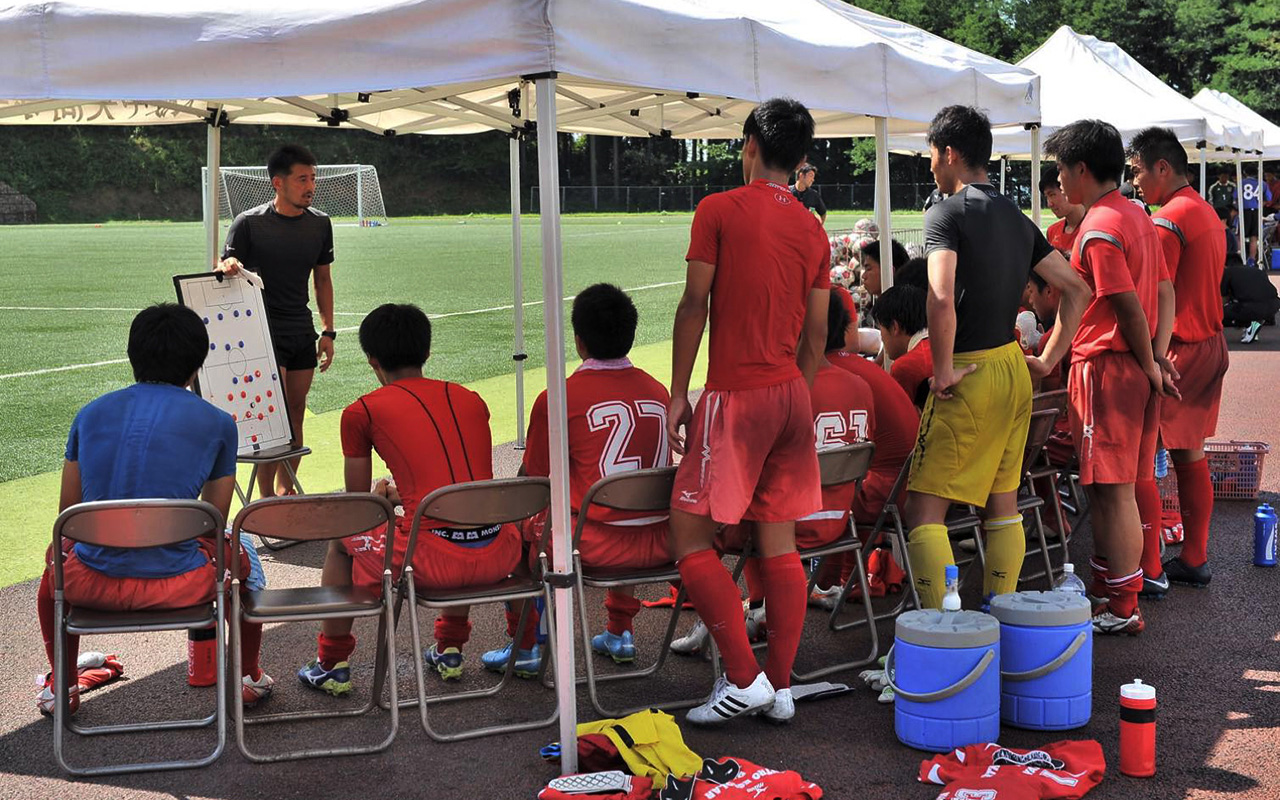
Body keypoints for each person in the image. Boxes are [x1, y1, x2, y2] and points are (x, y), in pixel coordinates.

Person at [666, 97, 829, 726]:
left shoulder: (719, 209)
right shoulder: (813, 228)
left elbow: (693, 306)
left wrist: (680, 393)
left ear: (751, 145)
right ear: (801, 157)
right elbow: (816, 337)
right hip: (792, 395)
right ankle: (781, 687)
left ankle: (743, 676)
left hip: (736, 396)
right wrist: (795, 393)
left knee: (687, 533)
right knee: (778, 542)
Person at [35, 304, 273, 715]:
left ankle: (63, 685)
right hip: (183, 585)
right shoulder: (218, 422)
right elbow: (212, 521)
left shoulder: (89, 414)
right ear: (197, 364)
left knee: (51, 570)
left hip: (88, 585)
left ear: (133, 356)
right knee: (244, 551)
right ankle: (249, 676)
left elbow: (67, 519)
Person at [908, 105, 1089, 612]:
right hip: (1012, 367)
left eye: (931, 157)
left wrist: (941, 369)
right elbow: (1076, 287)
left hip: (970, 370)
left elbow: (939, 296)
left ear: (948, 154)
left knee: (923, 511)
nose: (930, 168)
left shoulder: (945, 211)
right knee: (1003, 503)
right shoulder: (1015, 214)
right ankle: (1001, 613)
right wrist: (1050, 358)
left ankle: (937, 633)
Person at [298, 304, 519, 691]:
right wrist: (413, 495)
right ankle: (450, 648)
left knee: (341, 541)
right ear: (427, 353)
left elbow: (357, 509)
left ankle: (331, 662)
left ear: (372, 361)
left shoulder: (360, 411)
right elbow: (462, 485)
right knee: (461, 520)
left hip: (431, 561)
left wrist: (382, 497)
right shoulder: (471, 399)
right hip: (500, 555)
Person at [480, 284, 672, 676]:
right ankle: (619, 632)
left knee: (517, 527)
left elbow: (532, 481)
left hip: (592, 547)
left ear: (579, 341)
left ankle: (528, 643)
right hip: (660, 542)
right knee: (623, 506)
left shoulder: (559, 397)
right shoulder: (659, 391)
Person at [680, 295, 876, 649]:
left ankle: (729, 617)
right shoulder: (860, 386)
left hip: (788, 526)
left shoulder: (783, 394)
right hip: (839, 523)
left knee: (702, 527)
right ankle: (759, 611)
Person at [1044, 119, 1178, 636]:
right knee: (1110, 486)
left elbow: (1124, 305)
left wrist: (1148, 361)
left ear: (1081, 169)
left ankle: (1123, 602)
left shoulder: (1098, 228)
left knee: (1114, 488)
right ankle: (1111, 590)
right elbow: (1163, 291)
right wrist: (1156, 358)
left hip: (1109, 367)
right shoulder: (1137, 214)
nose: (1058, 180)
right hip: (1130, 366)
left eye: (1060, 170)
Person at [1128, 127, 1230, 595]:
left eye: (1138, 173)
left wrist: (1150, 355)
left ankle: (1149, 566)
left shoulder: (1168, 220)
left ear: (1161, 168)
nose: (1135, 184)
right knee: (1191, 456)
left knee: (1141, 461)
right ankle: (1194, 556)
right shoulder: (1207, 211)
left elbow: (1156, 292)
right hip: (1211, 343)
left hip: (1178, 349)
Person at [216, 144, 336, 499]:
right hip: (260, 333)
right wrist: (227, 266)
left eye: (313, 178)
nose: (310, 185)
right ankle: (265, 495)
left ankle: (286, 489)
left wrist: (328, 331)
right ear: (277, 183)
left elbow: (323, 279)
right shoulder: (250, 223)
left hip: (301, 328)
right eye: (302, 179)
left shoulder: (320, 224)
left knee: (295, 411)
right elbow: (225, 267)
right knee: (273, 415)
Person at [875, 285, 932, 408]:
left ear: (894, 327)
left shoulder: (905, 367)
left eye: (881, 329)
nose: (881, 336)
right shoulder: (946, 346)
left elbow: (900, 419)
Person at [1222, 257, 1280, 341]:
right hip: (1274, 305)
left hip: (1253, 307)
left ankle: (1249, 325)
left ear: (1225, 265)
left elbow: (1223, 299)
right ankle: (1260, 321)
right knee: (1252, 301)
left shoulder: (1228, 272)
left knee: (1223, 312)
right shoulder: (1256, 270)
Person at [1042, 168, 1086, 256]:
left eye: (1052, 195)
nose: (1049, 204)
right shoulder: (1052, 231)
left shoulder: (1092, 230)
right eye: (1046, 197)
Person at [1241, 166, 1273, 266]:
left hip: (1244, 210)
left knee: (1240, 235)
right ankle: (1251, 259)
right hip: (1257, 211)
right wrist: (1260, 203)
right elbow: (1269, 197)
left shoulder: (1241, 182)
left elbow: (1235, 197)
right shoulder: (1262, 183)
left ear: (1245, 173)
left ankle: (1240, 257)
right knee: (1254, 237)